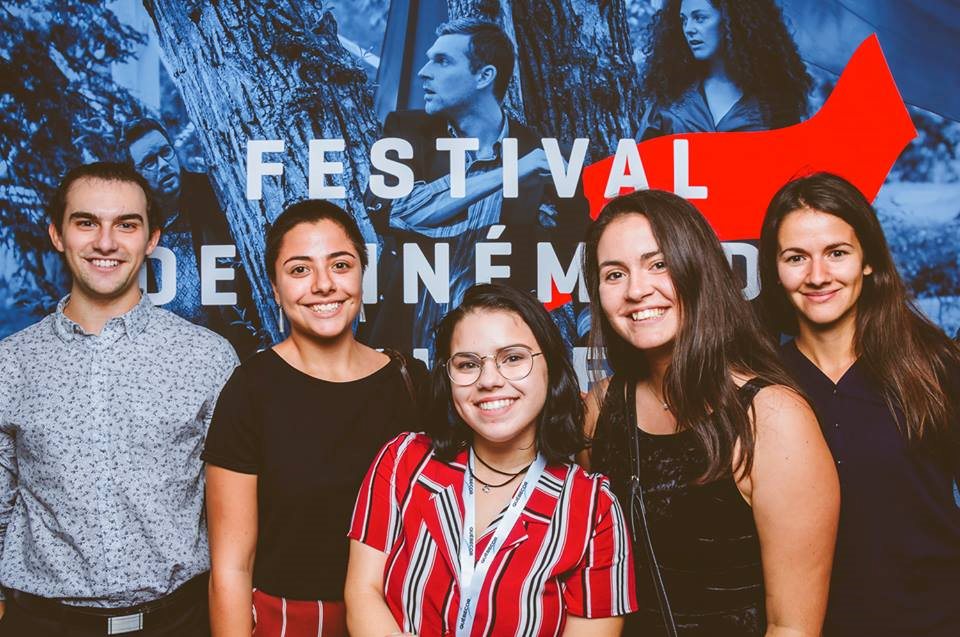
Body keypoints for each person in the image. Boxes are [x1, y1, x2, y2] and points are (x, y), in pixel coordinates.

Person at [580, 189, 839, 636]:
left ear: (697, 269)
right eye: (614, 274)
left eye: (658, 264)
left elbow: (792, 628)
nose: (637, 290)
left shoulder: (772, 418)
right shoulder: (602, 408)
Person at [0, 162, 238, 636]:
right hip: (43, 622)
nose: (106, 242)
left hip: (179, 622)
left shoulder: (208, 358)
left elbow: (234, 516)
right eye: (86, 222)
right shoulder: (11, 363)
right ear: (57, 234)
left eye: (126, 225)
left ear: (151, 240)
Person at [346, 283, 637, 636]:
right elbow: (363, 593)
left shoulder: (594, 509)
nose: (489, 380)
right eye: (468, 364)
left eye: (513, 358)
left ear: (550, 366)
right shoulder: (402, 462)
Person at [202, 200, 426, 637]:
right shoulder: (251, 390)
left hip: (400, 618)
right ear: (274, 287)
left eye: (340, 265)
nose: (324, 285)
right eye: (300, 270)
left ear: (363, 273)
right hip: (290, 622)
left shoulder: (411, 383)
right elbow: (231, 566)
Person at [757, 172, 960, 637]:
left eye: (837, 253)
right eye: (795, 258)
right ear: (775, 268)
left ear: (867, 260)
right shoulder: (761, 385)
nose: (817, 276)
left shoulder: (933, 366)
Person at [363, 18, 589, 353]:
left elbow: (576, 254)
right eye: (428, 60)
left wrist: (590, 337)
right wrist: (511, 171)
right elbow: (399, 213)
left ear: (484, 76)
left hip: (495, 351)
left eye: (442, 61)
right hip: (405, 344)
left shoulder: (543, 157)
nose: (424, 72)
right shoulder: (406, 131)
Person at [123, 117, 261, 358]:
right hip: (165, 359)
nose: (163, 165)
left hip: (228, 349)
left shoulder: (211, 195)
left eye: (165, 152)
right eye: (149, 162)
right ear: (135, 175)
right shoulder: (130, 225)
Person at [637, 0, 811, 140]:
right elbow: (639, 172)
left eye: (700, 18)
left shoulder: (775, 103)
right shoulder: (668, 97)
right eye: (683, 20)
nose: (688, 29)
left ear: (730, 19)